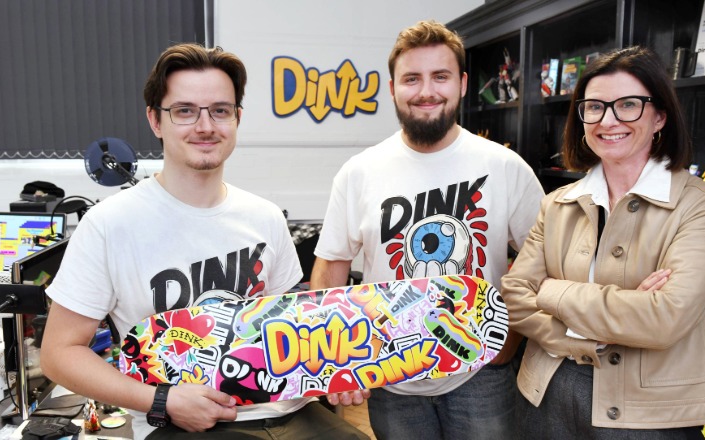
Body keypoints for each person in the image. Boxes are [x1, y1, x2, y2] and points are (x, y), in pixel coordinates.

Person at [41, 43, 368, 440]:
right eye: (184, 111)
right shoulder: (108, 225)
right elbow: (58, 354)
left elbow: (292, 329)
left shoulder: (264, 216)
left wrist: (336, 370)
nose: (205, 126)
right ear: (155, 121)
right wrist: (162, 400)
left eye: (220, 110)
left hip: (292, 413)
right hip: (186, 425)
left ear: (237, 118)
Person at [311, 20, 544, 439]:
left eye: (441, 76)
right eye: (411, 79)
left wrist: (509, 338)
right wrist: (339, 360)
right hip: (391, 371)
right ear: (392, 88)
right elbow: (332, 266)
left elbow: (543, 261)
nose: (426, 91)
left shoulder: (504, 166)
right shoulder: (359, 172)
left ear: (463, 83)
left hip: (481, 371)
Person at [501, 45, 705, 438]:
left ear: (660, 116)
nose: (609, 120)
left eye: (628, 105)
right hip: (546, 393)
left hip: (650, 413)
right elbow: (515, 297)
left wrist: (554, 292)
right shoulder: (557, 203)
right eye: (594, 107)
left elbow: (664, 317)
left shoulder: (703, 203)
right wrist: (612, 320)